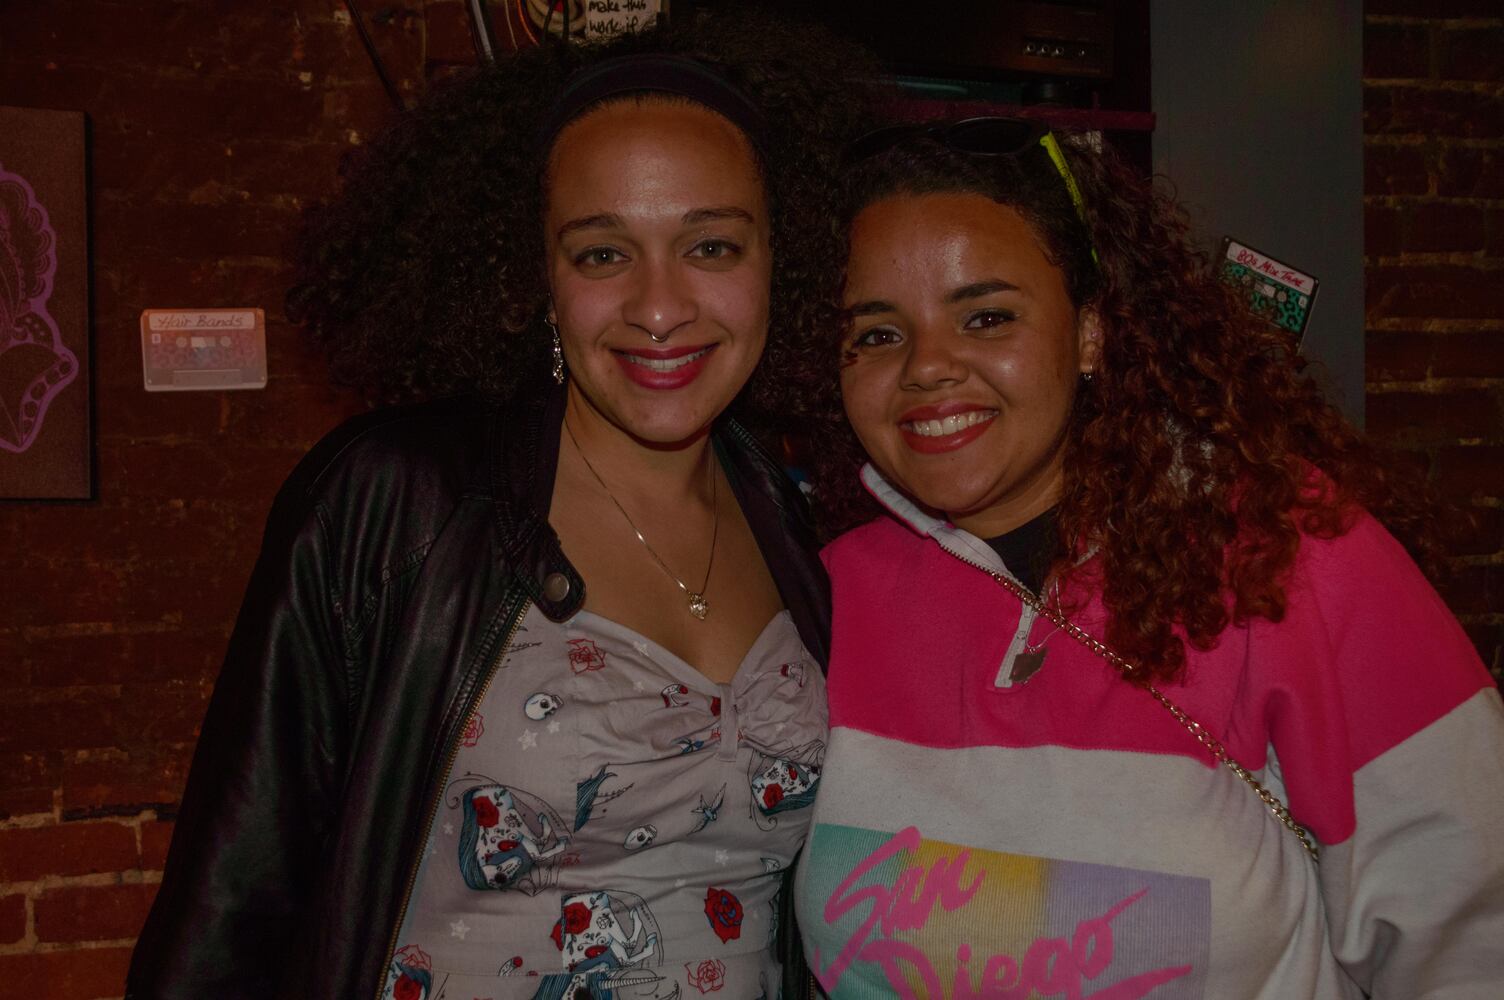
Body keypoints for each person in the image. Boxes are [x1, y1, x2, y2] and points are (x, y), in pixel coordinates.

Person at [127, 15, 870, 1000]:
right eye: (601, 254)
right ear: (537, 277)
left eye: (711, 245)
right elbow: (231, 903)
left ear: (782, 259)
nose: (659, 307)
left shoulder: (797, 521)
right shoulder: (401, 501)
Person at [795, 117, 1504, 998]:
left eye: (986, 316)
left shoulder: (1286, 550)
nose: (927, 367)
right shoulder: (823, 595)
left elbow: (1474, 935)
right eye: (876, 334)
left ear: (1090, 333)